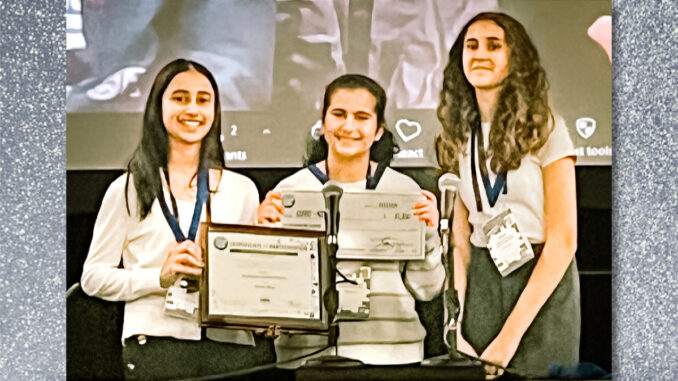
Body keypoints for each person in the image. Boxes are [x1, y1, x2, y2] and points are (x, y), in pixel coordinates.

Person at [80, 59, 275, 380]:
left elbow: (250, 278)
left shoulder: (241, 189)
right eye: (180, 98)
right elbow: (93, 278)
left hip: (232, 346)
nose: (192, 109)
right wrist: (159, 277)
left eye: (203, 99)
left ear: (215, 111)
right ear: (159, 107)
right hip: (157, 343)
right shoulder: (128, 188)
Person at [258, 74, 445, 366]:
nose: (349, 126)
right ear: (322, 123)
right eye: (339, 114)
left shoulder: (405, 192)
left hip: (393, 357)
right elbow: (271, 293)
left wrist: (430, 235)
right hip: (306, 359)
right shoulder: (287, 193)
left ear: (378, 130)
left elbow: (426, 289)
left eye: (361, 117)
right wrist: (262, 238)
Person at [435, 12, 580, 378]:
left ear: (516, 58)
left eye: (493, 45)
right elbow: (460, 245)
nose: (480, 54)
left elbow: (563, 240)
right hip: (483, 278)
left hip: (542, 282)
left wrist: (509, 338)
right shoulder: (455, 135)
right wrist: (458, 323)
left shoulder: (545, 126)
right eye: (472, 46)